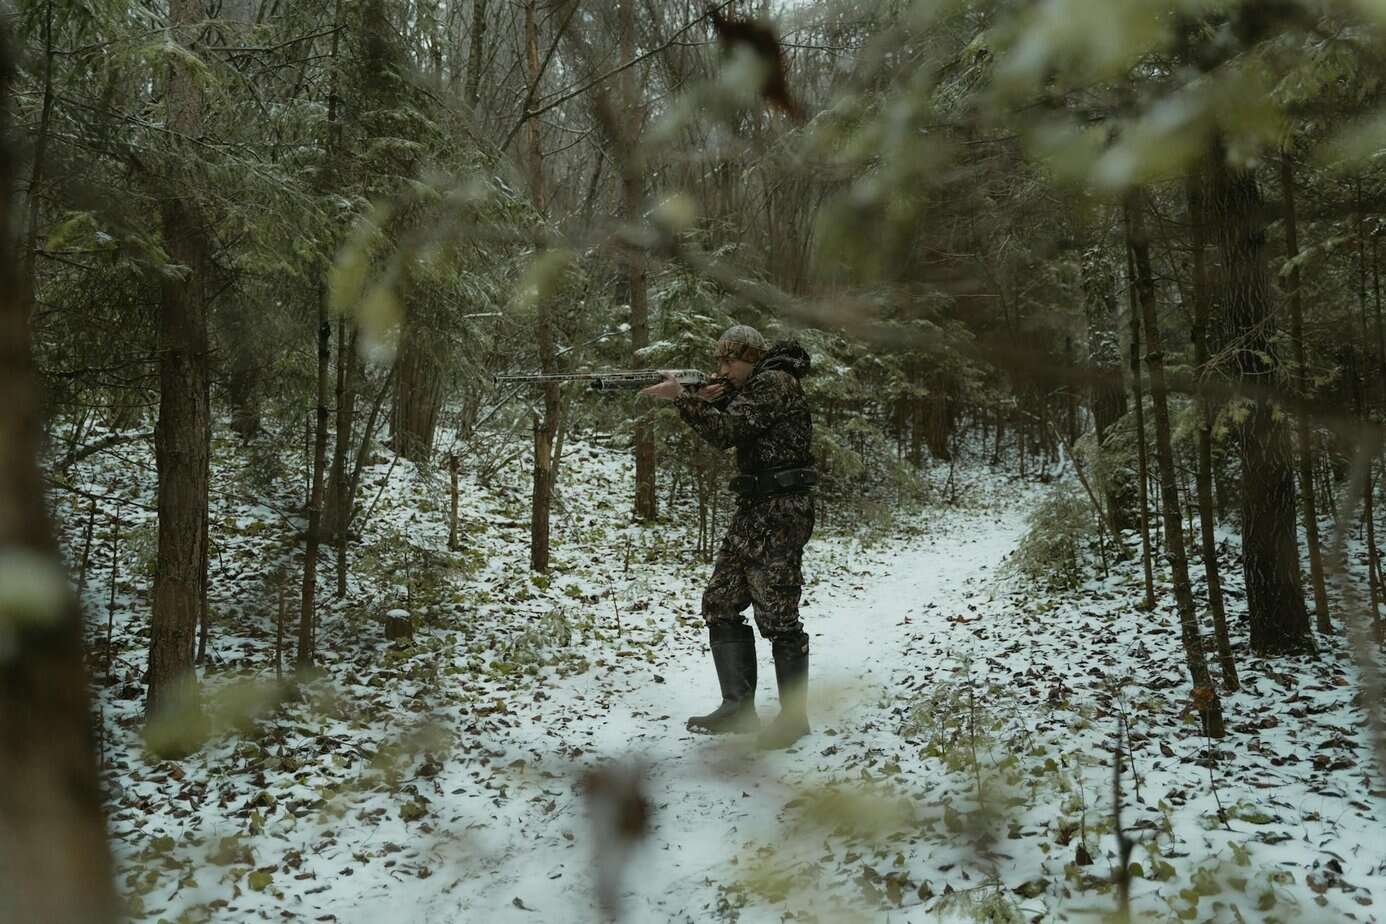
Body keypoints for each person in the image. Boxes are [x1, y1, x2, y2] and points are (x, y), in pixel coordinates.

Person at [640, 324, 816, 750]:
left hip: (781, 510)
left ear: (753, 358)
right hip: (754, 509)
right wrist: (707, 399)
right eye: (719, 360)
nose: (722, 368)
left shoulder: (774, 381)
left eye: (730, 360)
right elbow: (735, 422)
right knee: (720, 602)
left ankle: (793, 720)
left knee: (778, 615)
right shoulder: (752, 388)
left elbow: (725, 433)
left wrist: (682, 399)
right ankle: (738, 708)